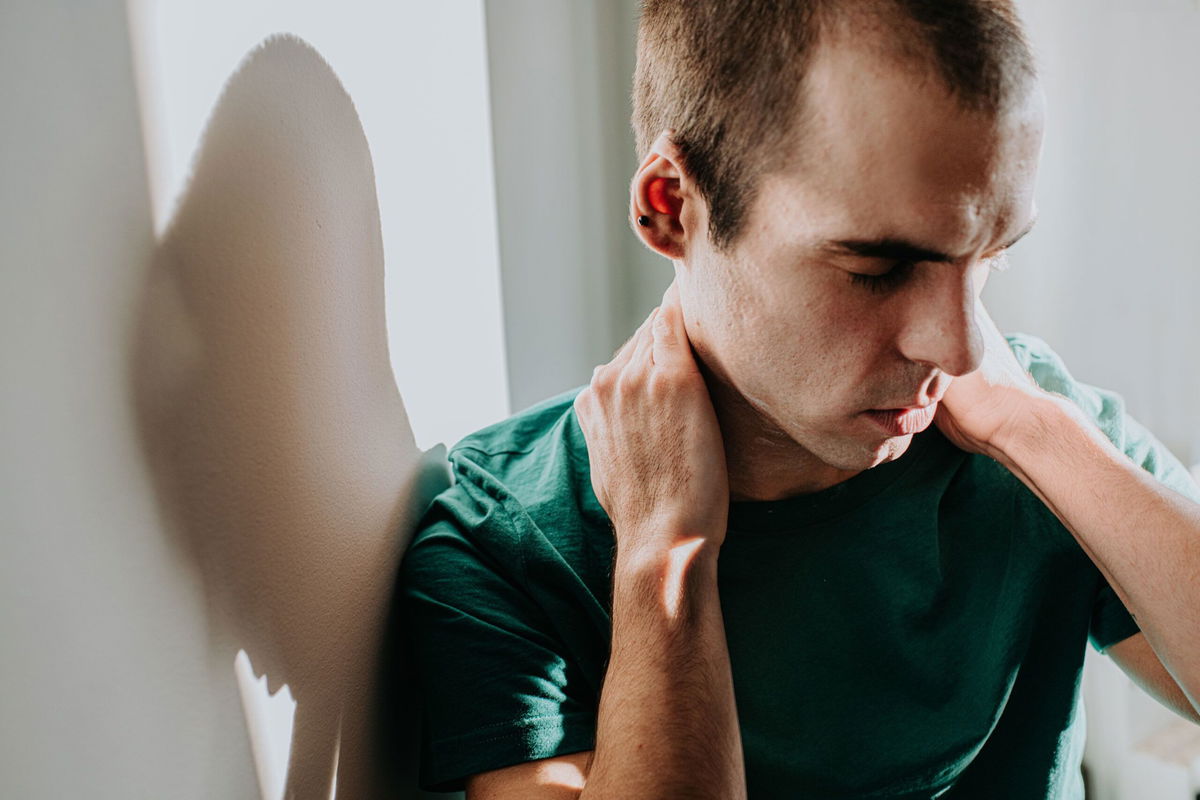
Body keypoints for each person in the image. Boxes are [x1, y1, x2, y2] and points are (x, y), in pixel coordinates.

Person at [396, 1, 1200, 797]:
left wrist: (1038, 432)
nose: (959, 349)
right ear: (672, 205)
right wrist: (661, 557)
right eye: (878, 268)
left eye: (991, 257)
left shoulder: (1029, 420)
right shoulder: (503, 543)